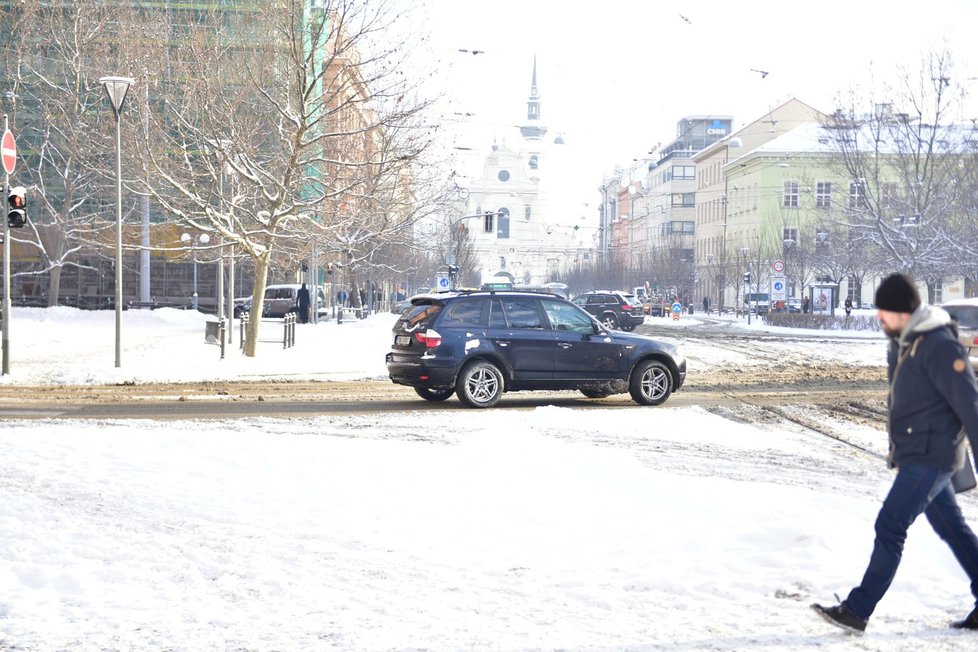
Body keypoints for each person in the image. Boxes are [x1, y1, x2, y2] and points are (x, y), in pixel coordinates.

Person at [812, 273, 978, 633]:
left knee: (890, 526)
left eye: (884, 311)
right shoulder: (906, 342)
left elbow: (970, 406)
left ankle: (857, 610)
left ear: (903, 311)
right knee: (953, 529)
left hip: (932, 458)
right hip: (919, 453)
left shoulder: (937, 345)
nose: (879, 318)